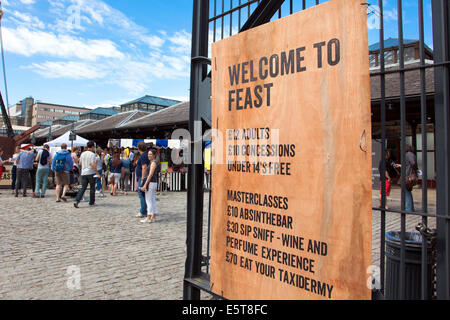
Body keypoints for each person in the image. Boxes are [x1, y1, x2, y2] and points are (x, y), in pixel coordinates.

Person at [74, 141, 101, 208]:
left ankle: (77, 201)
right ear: (92, 147)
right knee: (92, 188)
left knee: (83, 188)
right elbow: (93, 164)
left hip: (83, 172)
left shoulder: (83, 154)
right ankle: (91, 202)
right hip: (91, 172)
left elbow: (80, 163)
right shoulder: (92, 154)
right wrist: (97, 173)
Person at [140, 149, 160, 223]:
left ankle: (149, 217)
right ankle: (154, 215)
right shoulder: (153, 162)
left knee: (148, 200)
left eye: (150, 154)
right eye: (148, 154)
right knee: (152, 199)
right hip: (153, 183)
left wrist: (145, 184)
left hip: (151, 183)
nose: (149, 155)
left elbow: (150, 175)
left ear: (154, 155)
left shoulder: (153, 163)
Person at [135, 142, 150, 218]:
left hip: (142, 176)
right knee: (144, 194)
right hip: (143, 176)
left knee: (141, 194)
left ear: (139, 148)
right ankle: (146, 210)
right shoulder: (146, 155)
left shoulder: (143, 156)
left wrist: (142, 179)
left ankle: (143, 211)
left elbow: (144, 167)